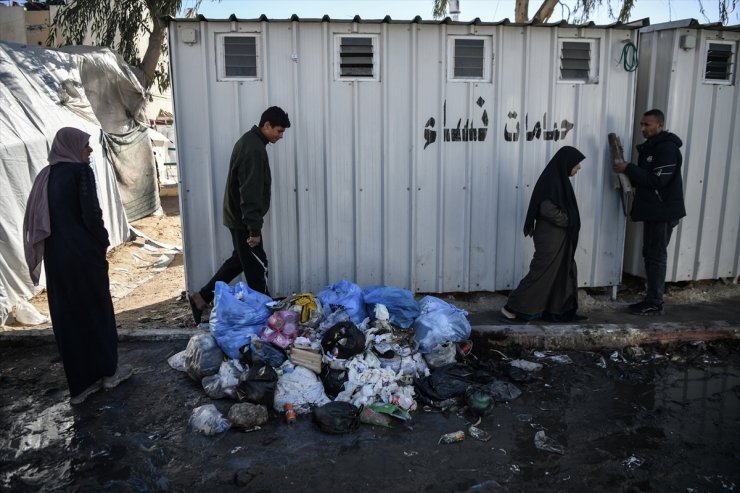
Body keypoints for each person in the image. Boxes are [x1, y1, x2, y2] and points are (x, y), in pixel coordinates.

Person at [23, 127, 132, 405]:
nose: (90, 151)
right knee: (96, 311)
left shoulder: (46, 176)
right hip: (83, 256)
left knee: (69, 317)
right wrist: (102, 242)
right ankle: (108, 374)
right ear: (72, 147)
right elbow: (91, 214)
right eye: (86, 146)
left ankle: (81, 387)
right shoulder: (80, 173)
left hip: (57, 260)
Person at [189, 106, 291, 324]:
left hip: (239, 217)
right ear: (266, 126)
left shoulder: (252, 142)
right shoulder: (253, 148)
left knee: (239, 261)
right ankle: (265, 316)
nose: (281, 136)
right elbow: (249, 191)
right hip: (243, 220)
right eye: (279, 131)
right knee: (257, 266)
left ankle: (201, 297)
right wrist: (254, 229)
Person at [500, 146, 587, 323]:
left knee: (561, 271)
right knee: (542, 271)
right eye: (576, 163)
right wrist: (569, 219)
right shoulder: (552, 182)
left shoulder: (560, 181)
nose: (579, 167)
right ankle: (513, 307)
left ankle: (556, 310)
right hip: (550, 237)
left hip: (560, 237)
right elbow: (547, 209)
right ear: (566, 163)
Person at [613, 109, 686, 315]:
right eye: (642, 124)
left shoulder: (667, 149)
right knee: (650, 254)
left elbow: (657, 180)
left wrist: (628, 168)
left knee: (656, 256)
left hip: (662, 211)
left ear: (660, 125)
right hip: (654, 210)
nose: (643, 128)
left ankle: (655, 301)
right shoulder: (650, 148)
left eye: (647, 124)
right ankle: (651, 298)